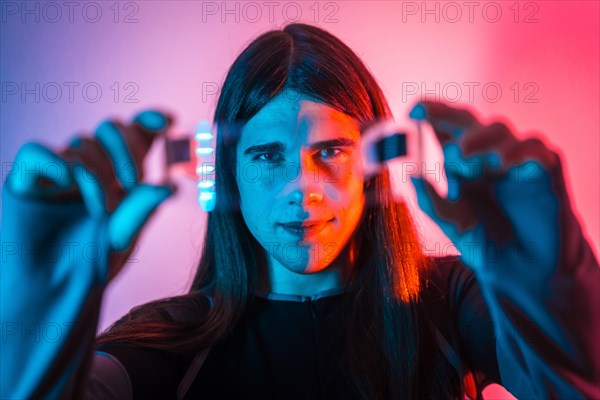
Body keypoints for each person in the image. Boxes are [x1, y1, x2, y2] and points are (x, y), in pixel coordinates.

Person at [2, 23, 598, 400]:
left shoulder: (449, 301)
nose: (301, 188)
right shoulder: (167, 344)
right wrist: (34, 291)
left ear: (373, 162)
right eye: (267, 154)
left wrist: (542, 279)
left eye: (331, 151)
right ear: (226, 169)